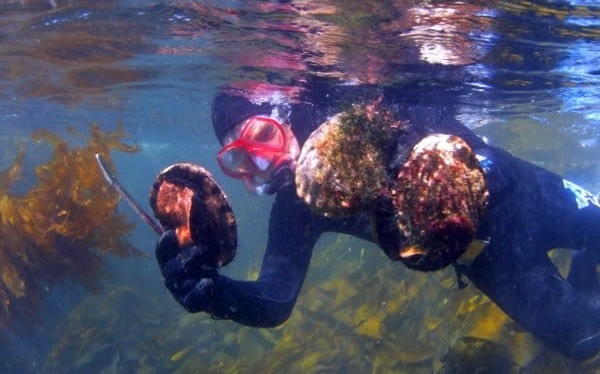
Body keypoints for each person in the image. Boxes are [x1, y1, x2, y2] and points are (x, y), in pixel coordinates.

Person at [155, 79, 600, 360]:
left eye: (264, 137)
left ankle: (588, 254)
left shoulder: (375, 114)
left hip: (530, 198)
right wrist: (216, 295)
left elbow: (493, 170)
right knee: (584, 340)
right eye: (241, 159)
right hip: (490, 260)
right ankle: (587, 275)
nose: (263, 163)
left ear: (287, 114)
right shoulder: (297, 208)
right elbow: (275, 300)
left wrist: (415, 168)